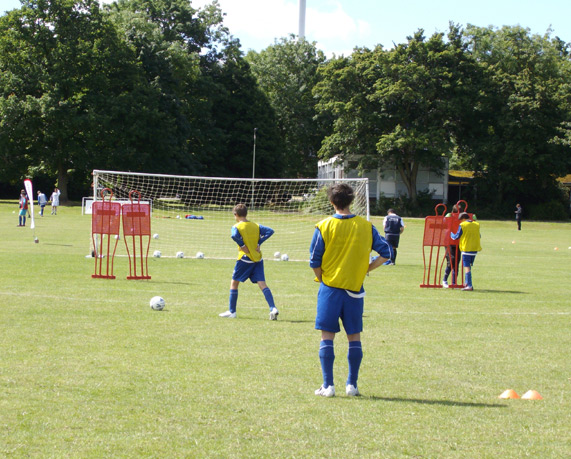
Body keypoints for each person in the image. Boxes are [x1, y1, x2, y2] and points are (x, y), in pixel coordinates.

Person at [310, 184, 392, 397]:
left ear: (331, 202)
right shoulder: (366, 226)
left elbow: (314, 261)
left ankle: (328, 386)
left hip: (330, 289)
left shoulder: (323, 226)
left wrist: (322, 279)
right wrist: (367, 268)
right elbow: (386, 253)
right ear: (352, 201)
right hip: (355, 291)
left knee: (327, 336)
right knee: (353, 337)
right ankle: (352, 385)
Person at [219, 204, 279, 320]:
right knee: (262, 284)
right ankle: (273, 308)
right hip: (257, 259)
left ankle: (232, 311)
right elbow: (270, 231)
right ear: (246, 214)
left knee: (234, 283)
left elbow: (234, 236)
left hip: (245, 259)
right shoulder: (255, 225)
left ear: (236, 215)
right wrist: (259, 242)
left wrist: (242, 245)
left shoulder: (236, 226)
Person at [450, 212, 482, 291]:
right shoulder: (477, 224)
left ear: (463, 219)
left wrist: (451, 234)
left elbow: (456, 236)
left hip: (466, 248)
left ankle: (469, 285)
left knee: (466, 267)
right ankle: (466, 282)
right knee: (469, 266)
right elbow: (479, 235)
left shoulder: (463, 225)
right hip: (475, 248)